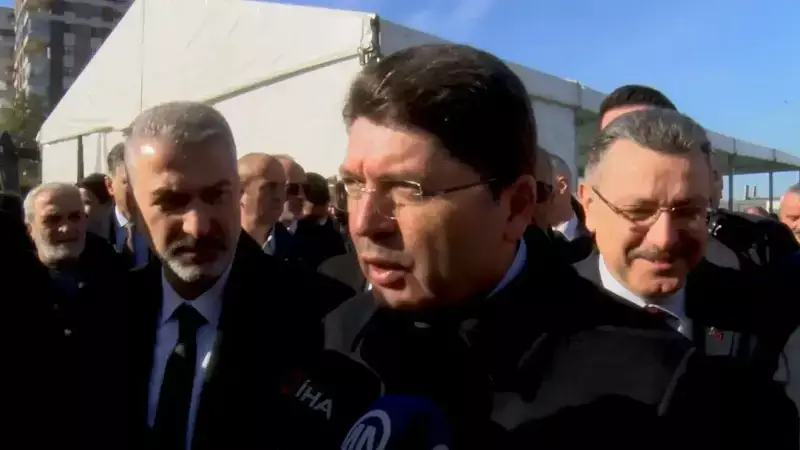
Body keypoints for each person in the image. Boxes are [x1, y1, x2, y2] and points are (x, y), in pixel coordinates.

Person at [279, 44, 762, 450]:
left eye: (408, 190)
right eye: (354, 185)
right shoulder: (332, 338)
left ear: (515, 206)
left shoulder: (657, 387)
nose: (364, 222)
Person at [122, 101, 352, 450]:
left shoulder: (325, 316)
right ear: (135, 208)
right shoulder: (99, 315)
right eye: (172, 201)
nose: (197, 226)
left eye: (216, 196)